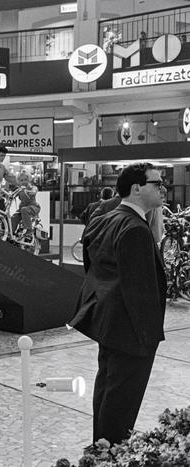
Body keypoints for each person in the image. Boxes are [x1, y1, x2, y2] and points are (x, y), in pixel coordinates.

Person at [69, 162, 166, 447]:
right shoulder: (135, 228)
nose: (163, 189)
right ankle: (110, 452)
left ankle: (100, 448)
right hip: (130, 332)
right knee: (122, 401)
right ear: (137, 188)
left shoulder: (104, 219)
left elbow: (92, 268)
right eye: (157, 184)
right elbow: (140, 290)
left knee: (107, 390)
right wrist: (148, 337)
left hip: (107, 322)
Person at [11, 171, 40, 235]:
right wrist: (9, 195)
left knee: (24, 209)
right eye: (21, 180)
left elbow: (35, 190)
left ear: (29, 180)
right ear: (19, 182)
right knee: (14, 217)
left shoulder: (32, 187)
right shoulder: (19, 189)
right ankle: (11, 232)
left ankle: (29, 229)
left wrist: (32, 192)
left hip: (33, 207)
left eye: (25, 179)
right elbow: (13, 195)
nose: (24, 181)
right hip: (22, 209)